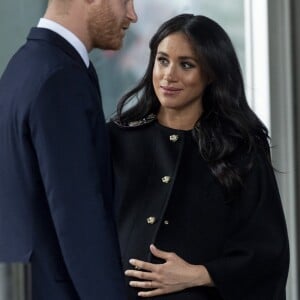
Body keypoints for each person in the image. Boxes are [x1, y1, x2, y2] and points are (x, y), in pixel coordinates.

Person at [108, 14, 290, 299]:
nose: (169, 75)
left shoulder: (241, 149)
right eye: (162, 60)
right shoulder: (116, 138)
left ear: (211, 73)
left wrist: (199, 275)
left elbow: (268, 253)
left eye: (186, 65)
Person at [0, 0, 137, 299]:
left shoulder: (23, 65)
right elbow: (79, 220)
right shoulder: (59, 77)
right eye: (125, 1)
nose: (132, 15)